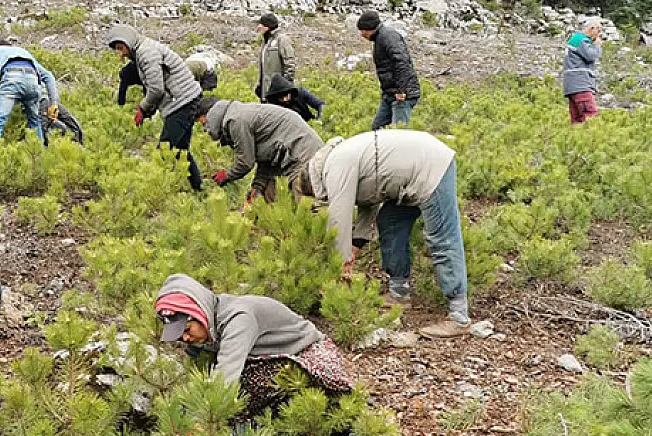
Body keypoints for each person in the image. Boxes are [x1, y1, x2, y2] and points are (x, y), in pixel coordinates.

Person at [297, 130, 471, 339]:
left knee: (442, 237)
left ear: (314, 185)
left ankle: (459, 316)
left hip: (431, 167)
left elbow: (338, 219)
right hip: (410, 176)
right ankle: (399, 293)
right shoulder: (340, 160)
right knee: (390, 221)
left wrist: (339, 265)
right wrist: (354, 248)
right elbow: (367, 205)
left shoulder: (335, 165)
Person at [155, 274, 352, 418]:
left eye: (187, 329)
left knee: (267, 384)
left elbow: (225, 376)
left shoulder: (238, 318)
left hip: (306, 350)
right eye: (179, 336)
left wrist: (200, 423)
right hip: (265, 358)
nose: (186, 338)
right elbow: (195, 367)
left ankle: (346, 424)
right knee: (251, 391)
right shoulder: (204, 329)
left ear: (199, 314)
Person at [107, 24, 204, 191]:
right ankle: (199, 189)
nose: (121, 53)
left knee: (164, 151)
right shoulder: (143, 51)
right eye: (117, 49)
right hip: (184, 100)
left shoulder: (146, 53)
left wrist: (143, 108)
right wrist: (148, 110)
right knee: (181, 150)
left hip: (182, 102)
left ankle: (154, 193)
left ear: (128, 42)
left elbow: (156, 89)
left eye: (121, 48)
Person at [195, 96, 323, 205]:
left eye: (204, 123)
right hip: (291, 154)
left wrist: (225, 176)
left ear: (211, 115)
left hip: (302, 154)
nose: (206, 130)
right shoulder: (237, 115)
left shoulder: (235, 121)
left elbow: (245, 163)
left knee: (305, 207)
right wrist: (256, 190)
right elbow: (266, 160)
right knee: (266, 197)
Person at [0, 38, 59, 140]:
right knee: (34, 122)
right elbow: (49, 77)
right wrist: (54, 104)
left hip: (11, 78)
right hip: (33, 81)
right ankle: (38, 153)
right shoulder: (23, 52)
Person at [357, 10, 420, 130]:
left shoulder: (388, 37)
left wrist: (402, 90)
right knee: (377, 128)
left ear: (369, 28)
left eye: (362, 30)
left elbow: (402, 62)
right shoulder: (380, 38)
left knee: (398, 133)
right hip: (390, 94)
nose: (361, 34)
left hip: (401, 95)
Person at [117, 50, 219, 106]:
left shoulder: (179, 74)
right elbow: (149, 89)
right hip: (196, 69)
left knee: (204, 100)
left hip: (207, 72)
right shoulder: (134, 71)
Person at [563, 18, 603, 124]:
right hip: (580, 84)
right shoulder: (580, 39)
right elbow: (591, 55)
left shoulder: (575, 39)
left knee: (577, 120)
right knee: (590, 115)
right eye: (598, 31)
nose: (599, 35)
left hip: (572, 86)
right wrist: (597, 45)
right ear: (591, 28)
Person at [255, 13, 296, 101]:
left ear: (268, 26)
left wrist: (285, 88)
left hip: (278, 93)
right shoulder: (265, 42)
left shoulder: (282, 40)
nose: (258, 27)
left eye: (261, 25)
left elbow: (290, 65)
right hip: (266, 92)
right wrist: (260, 85)